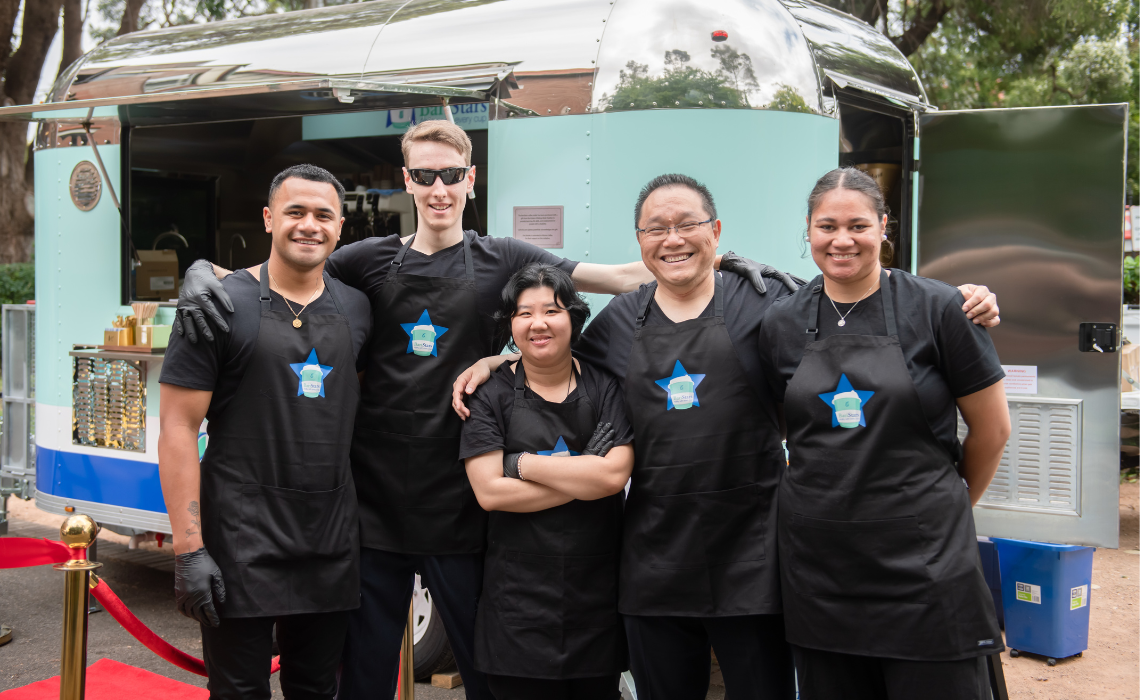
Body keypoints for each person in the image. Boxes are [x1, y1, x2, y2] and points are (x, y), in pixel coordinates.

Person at [172, 121, 785, 700]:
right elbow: (284, 267)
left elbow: (625, 273)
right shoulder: (364, 260)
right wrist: (199, 271)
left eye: (451, 174)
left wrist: (724, 262)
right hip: (372, 508)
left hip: (462, 501)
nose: (438, 188)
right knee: (362, 678)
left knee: (485, 671)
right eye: (424, 175)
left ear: (471, 178)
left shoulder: (505, 257)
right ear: (406, 180)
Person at [453, 173, 1001, 700]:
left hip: (755, 558)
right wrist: (498, 360)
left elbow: (851, 311)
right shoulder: (619, 322)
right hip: (656, 557)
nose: (672, 239)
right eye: (655, 228)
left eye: (687, 224)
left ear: (715, 233)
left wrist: (966, 298)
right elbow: (558, 366)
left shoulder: (769, 307)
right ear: (640, 241)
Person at [757, 167, 1011, 700]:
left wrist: (954, 501)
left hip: (925, 561)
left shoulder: (940, 307)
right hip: (821, 566)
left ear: (883, 227)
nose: (841, 240)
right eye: (827, 226)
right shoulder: (781, 323)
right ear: (808, 230)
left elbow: (992, 430)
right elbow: (786, 427)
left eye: (858, 225)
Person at [157, 164, 372, 700]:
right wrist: (188, 550)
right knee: (237, 693)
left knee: (316, 690)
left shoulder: (359, 308)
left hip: (329, 542)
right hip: (239, 541)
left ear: (340, 227)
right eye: (295, 211)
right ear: (269, 217)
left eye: (323, 214)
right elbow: (178, 428)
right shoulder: (216, 304)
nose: (309, 225)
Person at [460, 263, 635, 700]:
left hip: (594, 599)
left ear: (573, 318)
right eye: (524, 314)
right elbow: (489, 492)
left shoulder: (605, 387)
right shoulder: (490, 394)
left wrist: (519, 464)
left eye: (552, 310)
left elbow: (613, 476)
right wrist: (583, 470)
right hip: (516, 607)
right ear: (511, 326)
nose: (539, 323)